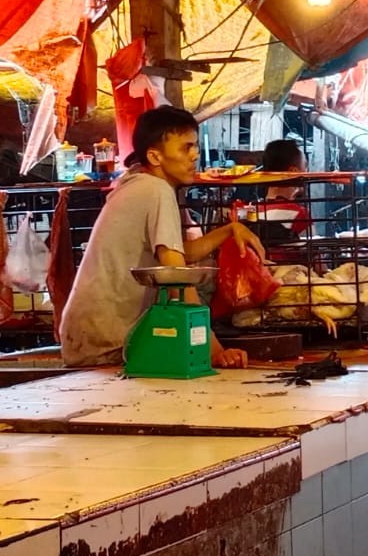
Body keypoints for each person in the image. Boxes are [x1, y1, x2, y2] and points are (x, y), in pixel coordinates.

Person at [59, 106, 265, 369]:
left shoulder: (137, 182)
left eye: (195, 147)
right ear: (155, 156)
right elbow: (176, 275)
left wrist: (228, 230)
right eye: (185, 148)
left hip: (87, 337)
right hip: (106, 344)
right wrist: (214, 350)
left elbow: (177, 255)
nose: (195, 156)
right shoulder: (156, 190)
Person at [253, 138, 311, 245]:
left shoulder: (252, 212)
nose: (307, 172)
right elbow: (313, 255)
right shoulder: (299, 214)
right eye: (305, 166)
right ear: (294, 172)